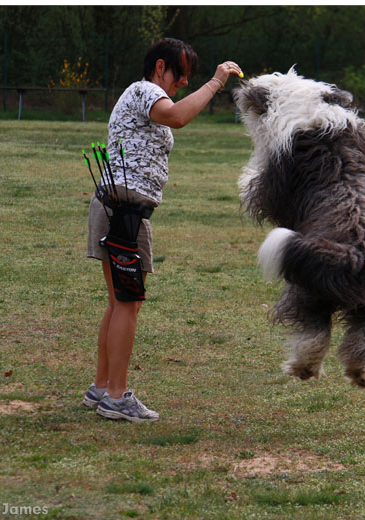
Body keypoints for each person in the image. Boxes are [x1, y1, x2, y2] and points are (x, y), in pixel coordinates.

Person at [82, 37, 242, 422]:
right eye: (181, 74)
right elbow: (177, 117)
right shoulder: (145, 91)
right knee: (127, 302)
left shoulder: (144, 94)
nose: (184, 82)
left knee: (121, 301)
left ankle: (102, 387)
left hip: (121, 207)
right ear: (159, 67)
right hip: (124, 211)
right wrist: (217, 80)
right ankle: (117, 397)